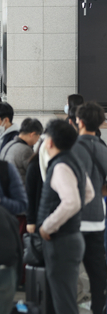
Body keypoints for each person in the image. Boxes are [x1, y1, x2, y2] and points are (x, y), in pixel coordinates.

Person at [38, 119, 94, 314]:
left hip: (61, 240)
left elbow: (72, 202)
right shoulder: (74, 161)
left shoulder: (60, 166)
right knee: (64, 296)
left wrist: (48, 226)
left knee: (63, 302)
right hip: (72, 238)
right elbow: (89, 193)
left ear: (50, 142)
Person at [71, 102, 107, 314]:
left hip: (73, 218)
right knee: (97, 269)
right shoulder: (103, 148)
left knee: (70, 268)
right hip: (96, 218)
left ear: (79, 121)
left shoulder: (71, 148)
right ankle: (98, 309)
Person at [0, 118, 43, 185]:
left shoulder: (8, 145)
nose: (37, 140)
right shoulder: (25, 150)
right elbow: (35, 174)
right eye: (38, 137)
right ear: (32, 134)